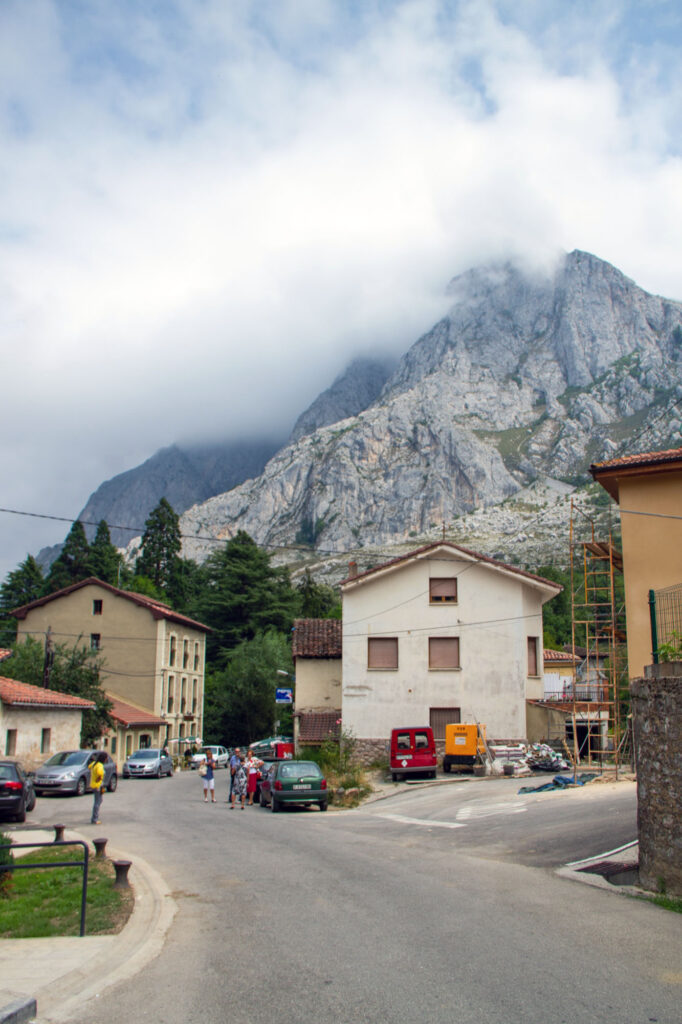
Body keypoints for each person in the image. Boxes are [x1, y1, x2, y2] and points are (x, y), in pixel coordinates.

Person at [89, 752, 106, 824]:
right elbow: (100, 773)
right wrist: (99, 777)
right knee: (97, 802)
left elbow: (89, 766)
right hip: (97, 785)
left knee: (99, 800)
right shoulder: (100, 765)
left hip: (93, 785)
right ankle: (94, 819)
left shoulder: (94, 764)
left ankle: (94, 818)